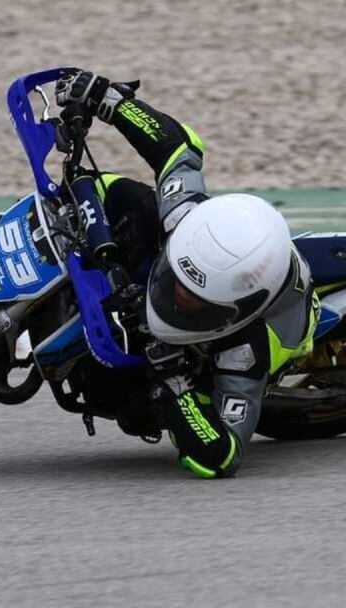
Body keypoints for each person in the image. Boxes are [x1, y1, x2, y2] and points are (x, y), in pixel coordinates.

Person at [55, 69, 317, 478]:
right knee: (124, 198)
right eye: (176, 283)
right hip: (242, 263)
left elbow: (224, 457)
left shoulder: (243, 351)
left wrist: (176, 378)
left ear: (235, 311)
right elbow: (179, 149)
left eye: (193, 302)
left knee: (136, 406)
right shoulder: (185, 217)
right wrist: (111, 101)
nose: (177, 298)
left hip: (229, 355)